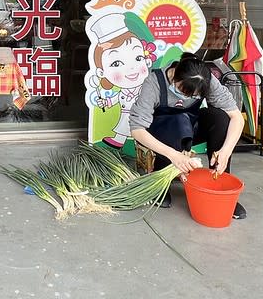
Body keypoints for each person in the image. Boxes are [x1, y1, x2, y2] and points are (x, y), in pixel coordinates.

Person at [129, 52, 247, 219]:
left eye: (193, 96)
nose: (186, 98)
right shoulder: (154, 82)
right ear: (175, 74)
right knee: (176, 120)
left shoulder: (206, 80)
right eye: (182, 91)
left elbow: (236, 117)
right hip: (162, 131)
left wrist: (226, 151)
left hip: (191, 126)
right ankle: (161, 183)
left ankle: (219, 187)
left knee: (221, 118)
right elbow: (137, 129)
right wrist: (173, 155)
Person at [87, 12, 153, 148]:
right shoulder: (122, 92)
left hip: (141, 115)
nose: (131, 68)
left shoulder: (147, 88)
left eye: (138, 58)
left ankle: (142, 142)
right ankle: (119, 140)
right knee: (123, 126)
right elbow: (114, 99)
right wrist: (105, 102)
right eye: (116, 63)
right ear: (101, 72)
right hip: (125, 114)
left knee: (142, 127)